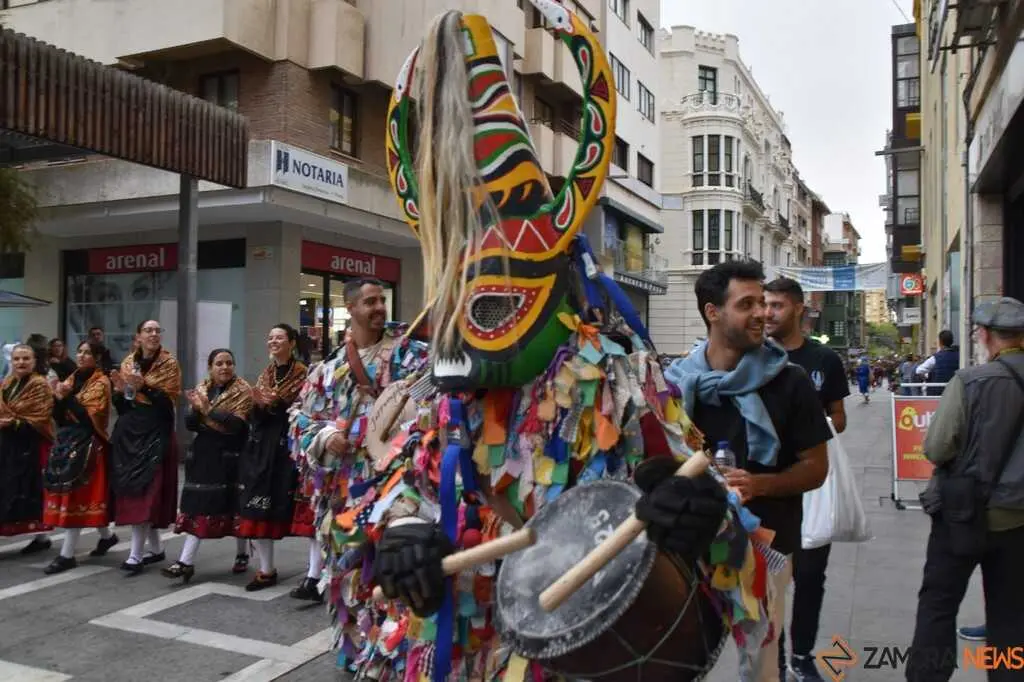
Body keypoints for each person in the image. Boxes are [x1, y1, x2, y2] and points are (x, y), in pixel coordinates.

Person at [337, 6, 775, 680]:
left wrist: (700, 513)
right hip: (466, 650)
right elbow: (404, 486)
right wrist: (401, 533)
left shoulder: (615, 376)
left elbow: (702, 498)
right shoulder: (437, 390)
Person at [666, 261, 832, 682]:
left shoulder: (791, 382)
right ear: (713, 312)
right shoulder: (676, 383)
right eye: (747, 304)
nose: (762, 312)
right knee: (684, 654)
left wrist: (760, 484)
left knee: (761, 663)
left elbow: (816, 468)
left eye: (763, 302)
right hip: (691, 547)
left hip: (768, 545)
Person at [289, 277, 429, 607]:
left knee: (398, 577)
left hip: (401, 489)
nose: (379, 307)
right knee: (351, 580)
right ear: (350, 308)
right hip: (347, 492)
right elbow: (297, 416)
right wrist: (325, 436)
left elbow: (439, 406)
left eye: (381, 300)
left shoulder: (414, 356)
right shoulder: (329, 369)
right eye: (370, 302)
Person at [906, 298, 1024, 682]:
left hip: (963, 515)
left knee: (939, 604)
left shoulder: (971, 381)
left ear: (986, 336)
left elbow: (938, 447)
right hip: (1018, 520)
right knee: (1009, 614)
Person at [765, 277, 849, 681]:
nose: (768, 313)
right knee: (772, 581)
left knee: (811, 576)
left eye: (778, 305)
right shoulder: (752, 358)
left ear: (799, 308)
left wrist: (808, 426)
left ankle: (802, 655)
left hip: (813, 481)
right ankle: (776, 661)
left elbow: (840, 418)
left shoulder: (824, 361)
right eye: (764, 305)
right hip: (769, 487)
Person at [163, 348, 253, 584]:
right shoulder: (203, 388)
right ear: (210, 367)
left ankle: (242, 553)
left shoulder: (243, 390)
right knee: (197, 507)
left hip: (231, 456)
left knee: (236, 506)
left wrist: (207, 411)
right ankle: (185, 562)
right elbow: (191, 424)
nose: (225, 367)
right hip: (203, 456)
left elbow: (236, 425)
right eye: (219, 363)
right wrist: (197, 409)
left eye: (229, 363)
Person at [237, 324, 306, 592]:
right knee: (257, 504)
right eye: (270, 337)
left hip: (288, 444)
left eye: (279, 337)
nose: (273, 341)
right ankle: (266, 570)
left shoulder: (302, 372)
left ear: (291, 342)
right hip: (262, 445)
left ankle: (315, 572)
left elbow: (304, 406)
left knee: (295, 506)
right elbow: (255, 412)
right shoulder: (265, 373)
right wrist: (260, 405)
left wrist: (276, 403)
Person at [109, 320, 181, 575]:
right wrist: (119, 392)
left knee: (147, 492)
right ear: (138, 336)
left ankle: (135, 555)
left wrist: (146, 386)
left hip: (156, 431)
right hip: (130, 433)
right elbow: (124, 406)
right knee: (134, 490)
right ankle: (156, 549)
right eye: (147, 330)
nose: (153, 334)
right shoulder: (129, 363)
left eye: (157, 330)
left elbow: (168, 403)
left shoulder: (169, 363)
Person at [40, 340, 118, 572]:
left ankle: (67, 554)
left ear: (97, 357)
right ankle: (107, 536)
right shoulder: (72, 378)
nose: (82, 356)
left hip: (89, 444)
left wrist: (67, 397)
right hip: (67, 441)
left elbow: (89, 418)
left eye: (88, 353)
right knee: (74, 496)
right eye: (80, 352)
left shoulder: (101, 382)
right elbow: (60, 416)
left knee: (77, 496)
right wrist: (58, 398)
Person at [0, 344, 55, 553]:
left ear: (33, 361)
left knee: (30, 491)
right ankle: (40, 538)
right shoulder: (8, 382)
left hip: (30, 446)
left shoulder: (40, 384)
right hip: (7, 445)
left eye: (25, 358)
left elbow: (41, 417)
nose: (20, 363)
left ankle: (41, 537)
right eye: (16, 359)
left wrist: (13, 423)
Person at [915, 330, 959, 396]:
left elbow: (918, 370)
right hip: (954, 392)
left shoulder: (935, 358)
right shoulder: (959, 355)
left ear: (940, 342)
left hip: (937, 393)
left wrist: (927, 377)